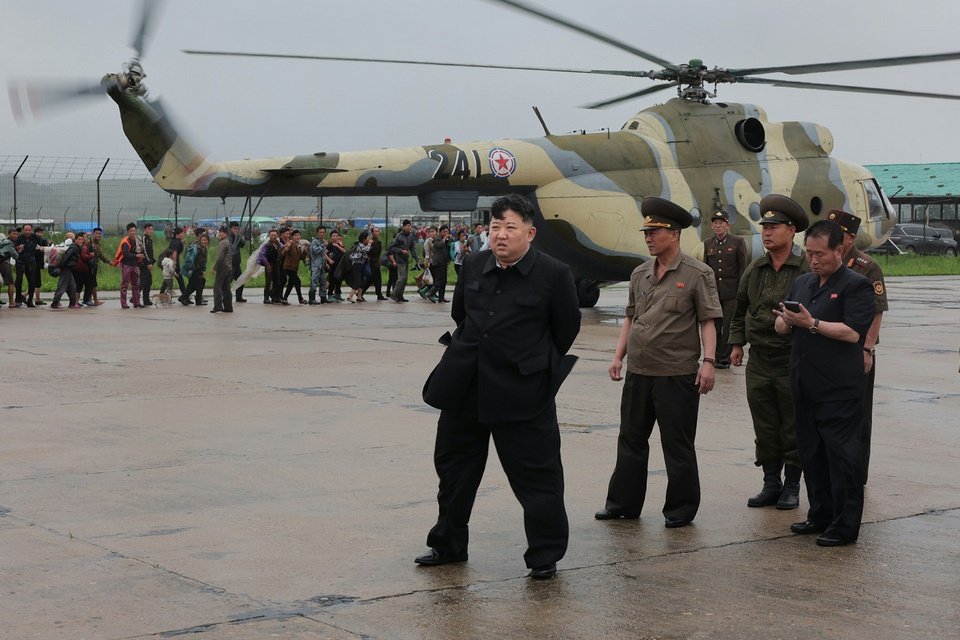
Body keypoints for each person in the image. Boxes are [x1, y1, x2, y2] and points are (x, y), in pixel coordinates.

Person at [416, 193, 581, 580]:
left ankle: (544, 555)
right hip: (466, 387)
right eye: (494, 228)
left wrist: (530, 363)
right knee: (454, 472)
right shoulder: (473, 264)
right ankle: (448, 545)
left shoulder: (554, 274)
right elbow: (461, 315)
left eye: (510, 227)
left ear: (530, 232)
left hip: (522, 392)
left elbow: (565, 330)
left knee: (538, 478)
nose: (500, 235)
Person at [595, 197, 722, 528]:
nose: (648, 237)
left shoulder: (698, 273)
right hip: (640, 370)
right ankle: (623, 503)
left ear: (674, 234)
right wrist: (618, 356)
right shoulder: (640, 274)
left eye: (655, 231)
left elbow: (708, 320)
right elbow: (630, 317)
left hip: (676, 374)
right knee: (631, 439)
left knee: (677, 445)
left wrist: (708, 361)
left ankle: (680, 508)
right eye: (646, 232)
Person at [775, 220, 875, 547]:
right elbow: (783, 326)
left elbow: (852, 332)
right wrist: (785, 321)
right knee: (811, 455)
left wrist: (812, 323)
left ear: (839, 250)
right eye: (809, 253)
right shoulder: (802, 282)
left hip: (838, 390)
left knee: (841, 458)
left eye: (820, 254)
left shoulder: (855, 285)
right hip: (805, 385)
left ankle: (845, 526)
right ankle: (820, 513)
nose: (813, 259)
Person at [728, 195, 810, 510]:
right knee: (764, 423)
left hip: (792, 358)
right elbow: (740, 308)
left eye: (774, 227)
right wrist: (737, 343)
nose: (767, 232)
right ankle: (770, 483)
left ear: (791, 231)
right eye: (765, 227)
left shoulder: (804, 268)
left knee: (792, 423)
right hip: (759, 360)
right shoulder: (756, 268)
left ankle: (792, 486)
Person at [828, 209, 888, 486]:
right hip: (828, 347)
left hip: (856, 350)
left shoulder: (866, 266)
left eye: (836, 234)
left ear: (850, 238)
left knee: (858, 417)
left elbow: (877, 312)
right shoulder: (826, 262)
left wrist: (867, 350)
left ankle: (856, 475)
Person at [703, 210, 747, 368]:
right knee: (715, 326)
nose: (718, 226)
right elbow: (706, 269)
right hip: (714, 293)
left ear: (727, 225)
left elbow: (743, 268)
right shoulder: (708, 243)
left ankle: (724, 359)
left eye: (721, 223)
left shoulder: (737, 242)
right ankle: (714, 357)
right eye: (715, 223)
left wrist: (742, 291)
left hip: (731, 292)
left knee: (728, 326)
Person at [114, 222, 144, 309]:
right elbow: (126, 254)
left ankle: (136, 302)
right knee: (125, 284)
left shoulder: (137, 240)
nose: (133, 233)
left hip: (134, 265)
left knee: (136, 284)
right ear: (128, 232)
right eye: (131, 231)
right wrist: (136, 255)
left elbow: (137, 251)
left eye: (134, 231)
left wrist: (139, 254)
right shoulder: (125, 242)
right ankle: (124, 303)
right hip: (126, 264)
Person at [390, 219, 420, 303]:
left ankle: (400, 296)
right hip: (399, 260)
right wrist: (401, 251)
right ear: (403, 227)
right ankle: (394, 294)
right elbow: (393, 247)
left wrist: (417, 260)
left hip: (406, 259)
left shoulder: (411, 236)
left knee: (405, 278)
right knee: (402, 277)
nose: (408, 227)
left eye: (409, 226)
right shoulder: (399, 236)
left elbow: (413, 249)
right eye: (406, 226)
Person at [50, 233, 81, 309]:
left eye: (82, 239)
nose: (81, 241)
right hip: (66, 268)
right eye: (79, 239)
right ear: (75, 240)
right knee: (62, 287)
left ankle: (72, 303)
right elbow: (66, 258)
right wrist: (61, 267)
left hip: (68, 269)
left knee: (72, 287)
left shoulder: (75, 247)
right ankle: (55, 303)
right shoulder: (73, 248)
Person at [181, 232, 209, 306]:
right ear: (200, 240)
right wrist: (199, 271)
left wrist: (203, 270)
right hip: (193, 269)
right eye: (202, 240)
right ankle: (198, 301)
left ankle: (183, 297)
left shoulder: (204, 249)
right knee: (200, 283)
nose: (204, 241)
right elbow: (193, 260)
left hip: (198, 269)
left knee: (192, 285)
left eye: (205, 240)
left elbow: (204, 261)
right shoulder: (197, 249)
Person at [280, 229, 307, 305]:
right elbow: (284, 252)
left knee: (291, 283)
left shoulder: (298, 245)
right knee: (298, 281)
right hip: (288, 267)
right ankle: (300, 298)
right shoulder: (291, 243)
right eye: (295, 235)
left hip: (294, 268)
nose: (297, 237)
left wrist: (304, 251)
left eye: (298, 235)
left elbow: (300, 257)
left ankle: (284, 298)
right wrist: (287, 247)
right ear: (292, 237)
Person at [211, 226, 234, 313]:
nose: (220, 234)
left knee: (217, 288)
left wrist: (214, 267)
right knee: (226, 288)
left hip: (222, 268)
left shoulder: (223, 243)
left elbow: (220, 258)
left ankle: (218, 306)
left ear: (226, 234)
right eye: (219, 232)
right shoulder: (228, 242)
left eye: (222, 232)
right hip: (229, 268)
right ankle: (228, 307)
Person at [345, 230, 372, 303]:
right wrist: (369, 244)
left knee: (362, 280)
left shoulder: (362, 245)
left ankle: (359, 296)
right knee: (357, 281)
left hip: (361, 265)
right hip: (357, 265)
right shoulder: (360, 245)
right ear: (364, 239)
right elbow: (366, 250)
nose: (368, 239)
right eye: (367, 238)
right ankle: (350, 296)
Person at [88, 227, 112, 305]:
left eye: (100, 234)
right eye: (97, 233)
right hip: (89, 265)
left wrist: (108, 261)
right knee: (92, 283)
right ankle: (93, 300)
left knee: (92, 283)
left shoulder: (98, 243)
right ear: (93, 234)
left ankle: (90, 300)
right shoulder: (89, 243)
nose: (98, 235)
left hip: (94, 265)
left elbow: (100, 255)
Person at [308, 226, 329, 304]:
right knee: (314, 281)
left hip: (322, 265)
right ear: (317, 233)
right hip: (315, 265)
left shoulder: (322, 241)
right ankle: (312, 298)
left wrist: (325, 262)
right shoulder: (315, 242)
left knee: (323, 281)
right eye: (320, 232)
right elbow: (316, 251)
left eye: (323, 232)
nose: (322, 234)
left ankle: (323, 297)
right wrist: (323, 245)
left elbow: (323, 254)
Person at [366, 226, 387, 300]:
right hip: (372, 263)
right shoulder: (371, 241)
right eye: (374, 231)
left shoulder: (378, 241)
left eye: (377, 231)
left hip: (376, 263)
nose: (376, 233)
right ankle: (379, 295)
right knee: (375, 280)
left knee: (373, 279)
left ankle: (379, 294)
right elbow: (370, 252)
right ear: (372, 233)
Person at [229, 221, 247, 303]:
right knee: (228, 280)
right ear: (231, 228)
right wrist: (234, 236)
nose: (236, 230)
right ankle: (223, 296)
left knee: (241, 279)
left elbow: (242, 245)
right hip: (230, 262)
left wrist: (238, 236)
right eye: (234, 228)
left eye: (237, 228)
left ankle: (239, 297)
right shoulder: (228, 237)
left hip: (237, 262)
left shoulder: (237, 236)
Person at [261, 229, 280, 304]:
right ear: (269, 236)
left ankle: (275, 297)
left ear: (277, 236)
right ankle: (266, 298)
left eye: (275, 235)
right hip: (269, 264)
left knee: (277, 281)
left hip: (276, 265)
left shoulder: (279, 244)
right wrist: (267, 265)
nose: (273, 237)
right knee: (268, 282)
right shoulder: (266, 245)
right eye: (272, 235)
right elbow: (262, 255)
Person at [326, 230, 346, 302]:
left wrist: (338, 245)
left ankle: (338, 294)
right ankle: (330, 295)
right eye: (333, 236)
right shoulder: (329, 245)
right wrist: (329, 260)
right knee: (332, 280)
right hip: (333, 266)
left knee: (339, 280)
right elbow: (324, 253)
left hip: (340, 266)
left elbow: (344, 251)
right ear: (331, 237)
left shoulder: (339, 244)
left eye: (336, 236)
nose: (335, 237)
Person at [167, 227, 188, 297]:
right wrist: (174, 263)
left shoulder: (175, 241)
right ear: (178, 234)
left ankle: (184, 295)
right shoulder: (176, 242)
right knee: (179, 279)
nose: (183, 234)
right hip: (173, 263)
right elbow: (174, 253)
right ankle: (185, 296)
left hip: (170, 262)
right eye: (182, 233)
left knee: (168, 278)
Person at [139, 223, 156, 306]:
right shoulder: (144, 239)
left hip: (149, 263)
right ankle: (134, 297)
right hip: (144, 263)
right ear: (145, 230)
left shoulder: (150, 239)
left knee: (148, 282)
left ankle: (146, 300)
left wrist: (152, 261)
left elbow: (150, 252)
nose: (151, 231)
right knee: (143, 281)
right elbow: (144, 252)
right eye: (149, 229)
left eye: (152, 229)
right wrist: (148, 263)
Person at [0, 230, 17, 308]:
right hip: (4, 262)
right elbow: (15, 256)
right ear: (9, 234)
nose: (16, 235)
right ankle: (11, 302)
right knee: (11, 283)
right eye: (14, 233)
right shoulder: (8, 242)